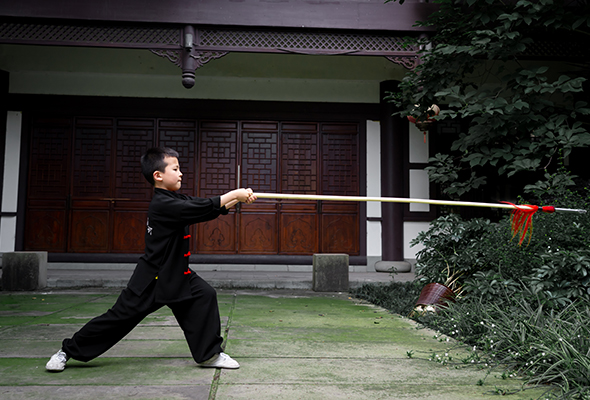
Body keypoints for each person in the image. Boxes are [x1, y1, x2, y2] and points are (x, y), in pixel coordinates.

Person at [46, 147, 256, 372]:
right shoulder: (162, 204)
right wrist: (235, 194)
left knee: (204, 295)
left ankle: (210, 355)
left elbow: (205, 210)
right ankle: (66, 351)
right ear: (158, 176)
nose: (181, 173)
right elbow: (201, 207)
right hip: (152, 278)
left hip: (177, 273)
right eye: (175, 169)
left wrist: (237, 199)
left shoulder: (173, 199)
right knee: (118, 319)